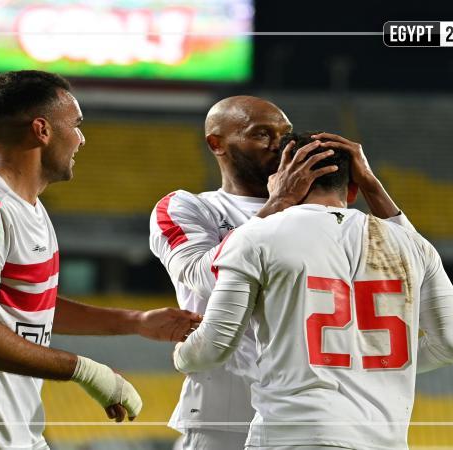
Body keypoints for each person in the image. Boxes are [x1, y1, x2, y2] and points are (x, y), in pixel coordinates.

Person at [0, 70, 201, 450]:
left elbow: (28, 307)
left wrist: (134, 321)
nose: (82, 139)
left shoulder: (25, 206)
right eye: (76, 125)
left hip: (6, 432)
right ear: (42, 130)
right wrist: (86, 371)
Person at [173, 132, 453, 450]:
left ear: (279, 181)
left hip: (292, 436)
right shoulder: (413, 245)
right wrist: (362, 365)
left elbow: (214, 347)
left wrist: (182, 355)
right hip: (385, 440)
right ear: (353, 188)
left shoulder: (256, 237)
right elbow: (451, 346)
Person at [149, 96, 414, 450]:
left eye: (285, 133)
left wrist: (369, 184)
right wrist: (280, 202)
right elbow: (201, 276)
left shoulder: (322, 214)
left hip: (309, 416)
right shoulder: (189, 206)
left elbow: (414, 267)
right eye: (262, 134)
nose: (280, 144)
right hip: (225, 414)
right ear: (216, 143)